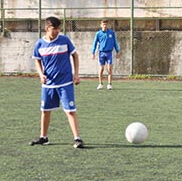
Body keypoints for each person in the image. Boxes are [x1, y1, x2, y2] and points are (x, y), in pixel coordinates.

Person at [30, 16, 84, 149]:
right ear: (47, 28)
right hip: (48, 84)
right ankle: (44, 137)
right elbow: (37, 60)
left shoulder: (64, 40)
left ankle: (77, 138)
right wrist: (41, 74)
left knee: (70, 111)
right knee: (45, 111)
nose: (58, 31)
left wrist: (76, 75)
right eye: (55, 28)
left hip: (65, 83)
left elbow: (75, 55)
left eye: (59, 28)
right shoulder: (39, 44)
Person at [91, 19, 120, 90]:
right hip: (101, 53)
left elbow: (115, 42)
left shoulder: (111, 33)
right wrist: (93, 52)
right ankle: (100, 83)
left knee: (109, 68)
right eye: (103, 24)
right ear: (101, 25)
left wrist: (117, 51)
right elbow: (94, 43)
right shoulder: (98, 33)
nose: (105, 26)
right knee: (101, 69)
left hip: (109, 53)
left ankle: (109, 84)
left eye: (106, 24)